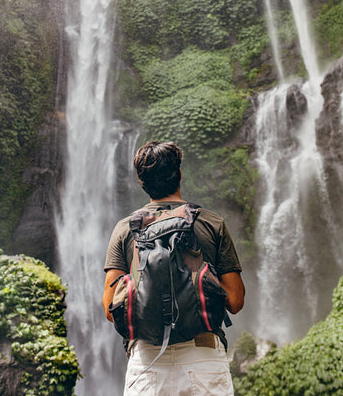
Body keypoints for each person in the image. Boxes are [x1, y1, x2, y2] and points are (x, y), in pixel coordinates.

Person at [103, 140, 245, 395]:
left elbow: (110, 308)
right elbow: (235, 301)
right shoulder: (213, 224)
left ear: (141, 181)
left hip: (147, 360)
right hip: (203, 356)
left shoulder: (126, 229)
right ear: (179, 174)